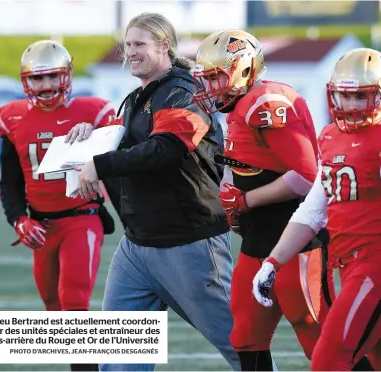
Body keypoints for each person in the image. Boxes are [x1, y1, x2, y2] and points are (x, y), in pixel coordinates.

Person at [67, 12, 242, 372]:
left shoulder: (185, 91)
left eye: (139, 44)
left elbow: (166, 149)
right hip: (138, 246)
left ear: (165, 46)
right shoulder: (137, 98)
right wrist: (91, 134)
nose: (130, 52)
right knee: (118, 359)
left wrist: (101, 165)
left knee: (241, 345)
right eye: (127, 44)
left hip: (188, 243)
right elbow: (122, 144)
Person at [192, 29, 336, 371]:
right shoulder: (241, 106)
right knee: (245, 335)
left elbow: (306, 176)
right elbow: (245, 164)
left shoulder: (266, 103)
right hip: (258, 242)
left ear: (243, 70)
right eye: (207, 80)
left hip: (296, 239)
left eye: (216, 78)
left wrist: (247, 200)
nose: (210, 89)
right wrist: (231, 195)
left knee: (320, 336)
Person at [253, 48, 381, 371]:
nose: (350, 106)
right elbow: (313, 210)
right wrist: (273, 261)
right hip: (348, 265)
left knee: (329, 358)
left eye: (361, 97)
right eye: (344, 96)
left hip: (374, 265)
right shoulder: (329, 137)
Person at [0, 40, 116, 372]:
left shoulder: (93, 111)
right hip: (41, 226)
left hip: (82, 217)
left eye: (53, 77)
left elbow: (122, 153)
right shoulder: (13, 117)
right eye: (38, 79)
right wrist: (19, 219)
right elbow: (9, 182)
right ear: (26, 82)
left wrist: (95, 132)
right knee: (53, 306)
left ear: (68, 76)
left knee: (74, 302)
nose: (46, 86)